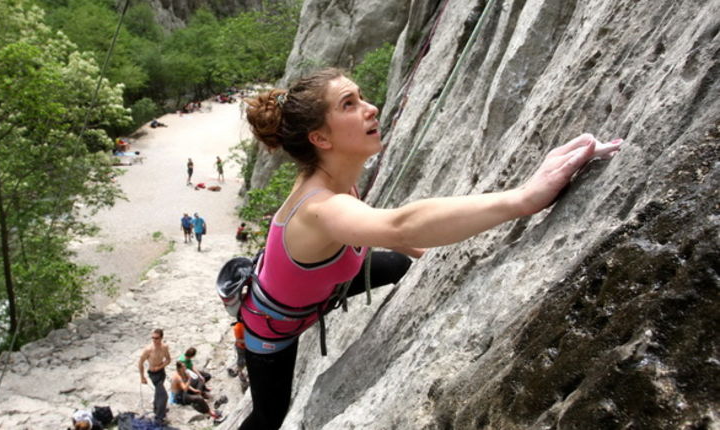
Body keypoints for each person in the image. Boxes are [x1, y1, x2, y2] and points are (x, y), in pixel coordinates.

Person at [240, 68, 623, 429]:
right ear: (320, 139)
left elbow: (383, 231)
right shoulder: (320, 207)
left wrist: (408, 245)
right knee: (269, 417)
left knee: (397, 265)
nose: (371, 108)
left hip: (318, 285)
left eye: (361, 97)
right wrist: (524, 198)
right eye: (348, 104)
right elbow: (397, 224)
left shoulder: (336, 182)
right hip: (273, 327)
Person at [138, 328, 172, 424]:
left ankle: (157, 409)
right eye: (152, 338)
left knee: (158, 393)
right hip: (153, 374)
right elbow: (140, 363)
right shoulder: (148, 349)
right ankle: (159, 417)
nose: (154, 340)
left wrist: (160, 366)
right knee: (164, 396)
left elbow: (168, 359)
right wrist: (142, 377)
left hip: (161, 372)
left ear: (161, 338)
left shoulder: (164, 347)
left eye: (156, 338)